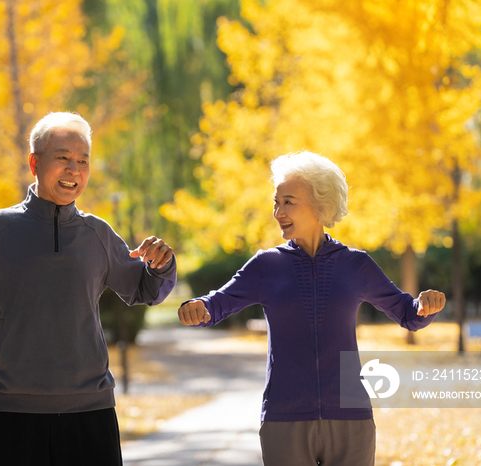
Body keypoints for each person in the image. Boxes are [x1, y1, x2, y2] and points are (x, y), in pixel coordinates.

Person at [0, 112, 177, 465]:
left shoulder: (98, 234)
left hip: (90, 412)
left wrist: (162, 265)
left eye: (83, 161)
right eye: (62, 157)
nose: (74, 170)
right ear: (35, 162)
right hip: (12, 415)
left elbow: (145, 291)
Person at [177, 151, 445, 466]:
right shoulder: (266, 265)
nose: (278, 211)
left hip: (350, 418)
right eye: (276, 202)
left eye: (288, 202)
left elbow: (407, 313)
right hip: (284, 418)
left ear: (320, 204)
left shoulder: (355, 265)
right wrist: (196, 307)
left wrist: (427, 306)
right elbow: (217, 304)